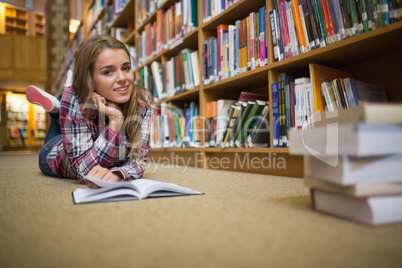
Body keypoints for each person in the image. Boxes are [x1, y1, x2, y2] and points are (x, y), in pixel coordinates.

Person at [26, 34, 153, 188]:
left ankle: (58, 110)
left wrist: (118, 174)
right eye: (108, 72)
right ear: (90, 79)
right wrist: (115, 121)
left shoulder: (142, 100)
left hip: (79, 128)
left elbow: (138, 161)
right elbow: (85, 171)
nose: (122, 78)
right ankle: (57, 111)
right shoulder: (74, 97)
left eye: (126, 68)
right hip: (55, 154)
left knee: (66, 112)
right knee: (68, 103)